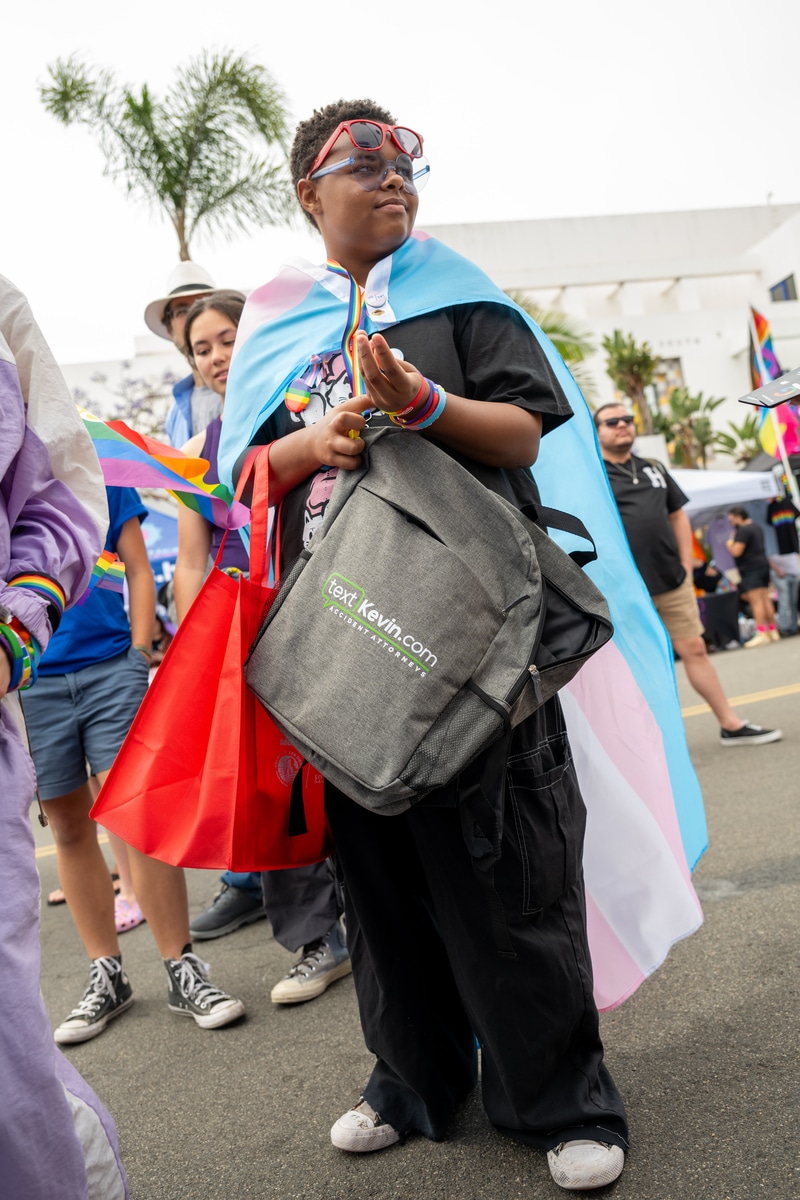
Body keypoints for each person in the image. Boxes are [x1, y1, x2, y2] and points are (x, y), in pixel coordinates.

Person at [219, 100, 629, 1192]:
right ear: (308, 192)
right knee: (381, 877)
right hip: (349, 643)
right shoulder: (276, 330)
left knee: (509, 868)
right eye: (362, 163)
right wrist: (316, 436)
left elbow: (523, 429)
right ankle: (409, 1080)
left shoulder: (458, 300)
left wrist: (423, 398)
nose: (392, 179)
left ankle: (558, 1100)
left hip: (478, 639)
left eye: (406, 163)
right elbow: (247, 477)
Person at [22, 481, 246, 1044]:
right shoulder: (8, 486)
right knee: (70, 826)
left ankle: (182, 967)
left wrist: (139, 653)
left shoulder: (97, 472)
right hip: (30, 683)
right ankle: (108, 974)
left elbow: (140, 569)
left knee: (139, 815)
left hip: (109, 669)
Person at [177, 289, 351, 1003]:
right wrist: (201, 656)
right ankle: (317, 939)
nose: (218, 357)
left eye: (228, 339)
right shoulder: (201, 450)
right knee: (274, 785)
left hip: (337, 611)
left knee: (352, 768)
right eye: (202, 349)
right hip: (254, 627)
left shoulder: (311, 399)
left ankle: (383, 921)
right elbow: (191, 559)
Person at [1, 273, 129, 1197]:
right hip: (43, 697)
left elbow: (62, 494)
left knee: (125, 816)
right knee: (73, 826)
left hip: (85, 668)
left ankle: (173, 962)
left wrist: (17, 626)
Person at [595, 404, 781, 745]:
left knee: (694, 647)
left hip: (671, 578)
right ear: (597, 431)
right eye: (612, 422)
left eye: (628, 420)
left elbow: (678, 515)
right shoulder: (593, 473)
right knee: (635, 662)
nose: (623, 425)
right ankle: (642, 742)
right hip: (624, 585)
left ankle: (731, 724)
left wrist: (686, 563)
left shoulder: (653, 468)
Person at [144, 261, 220, 446]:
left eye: (201, 304)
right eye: (182, 311)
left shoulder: (246, 388)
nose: (194, 315)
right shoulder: (175, 415)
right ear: (169, 329)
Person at [726, 506, 778, 646]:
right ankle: (772, 630)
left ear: (738, 517)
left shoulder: (743, 531)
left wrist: (730, 544)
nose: (731, 523)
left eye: (731, 520)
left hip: (751, 568)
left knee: (756, 601)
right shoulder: (756, 527)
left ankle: (761, 632)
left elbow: (736, 552)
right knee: (765, 599)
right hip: (762, 564)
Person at [766, 492, 799, 636]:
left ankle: (787, 626)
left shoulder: (771, 507)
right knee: (788, 598)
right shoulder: (781, 504)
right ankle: (787, 625)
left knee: (787, 598)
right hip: (788, 554)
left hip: (784, 555)